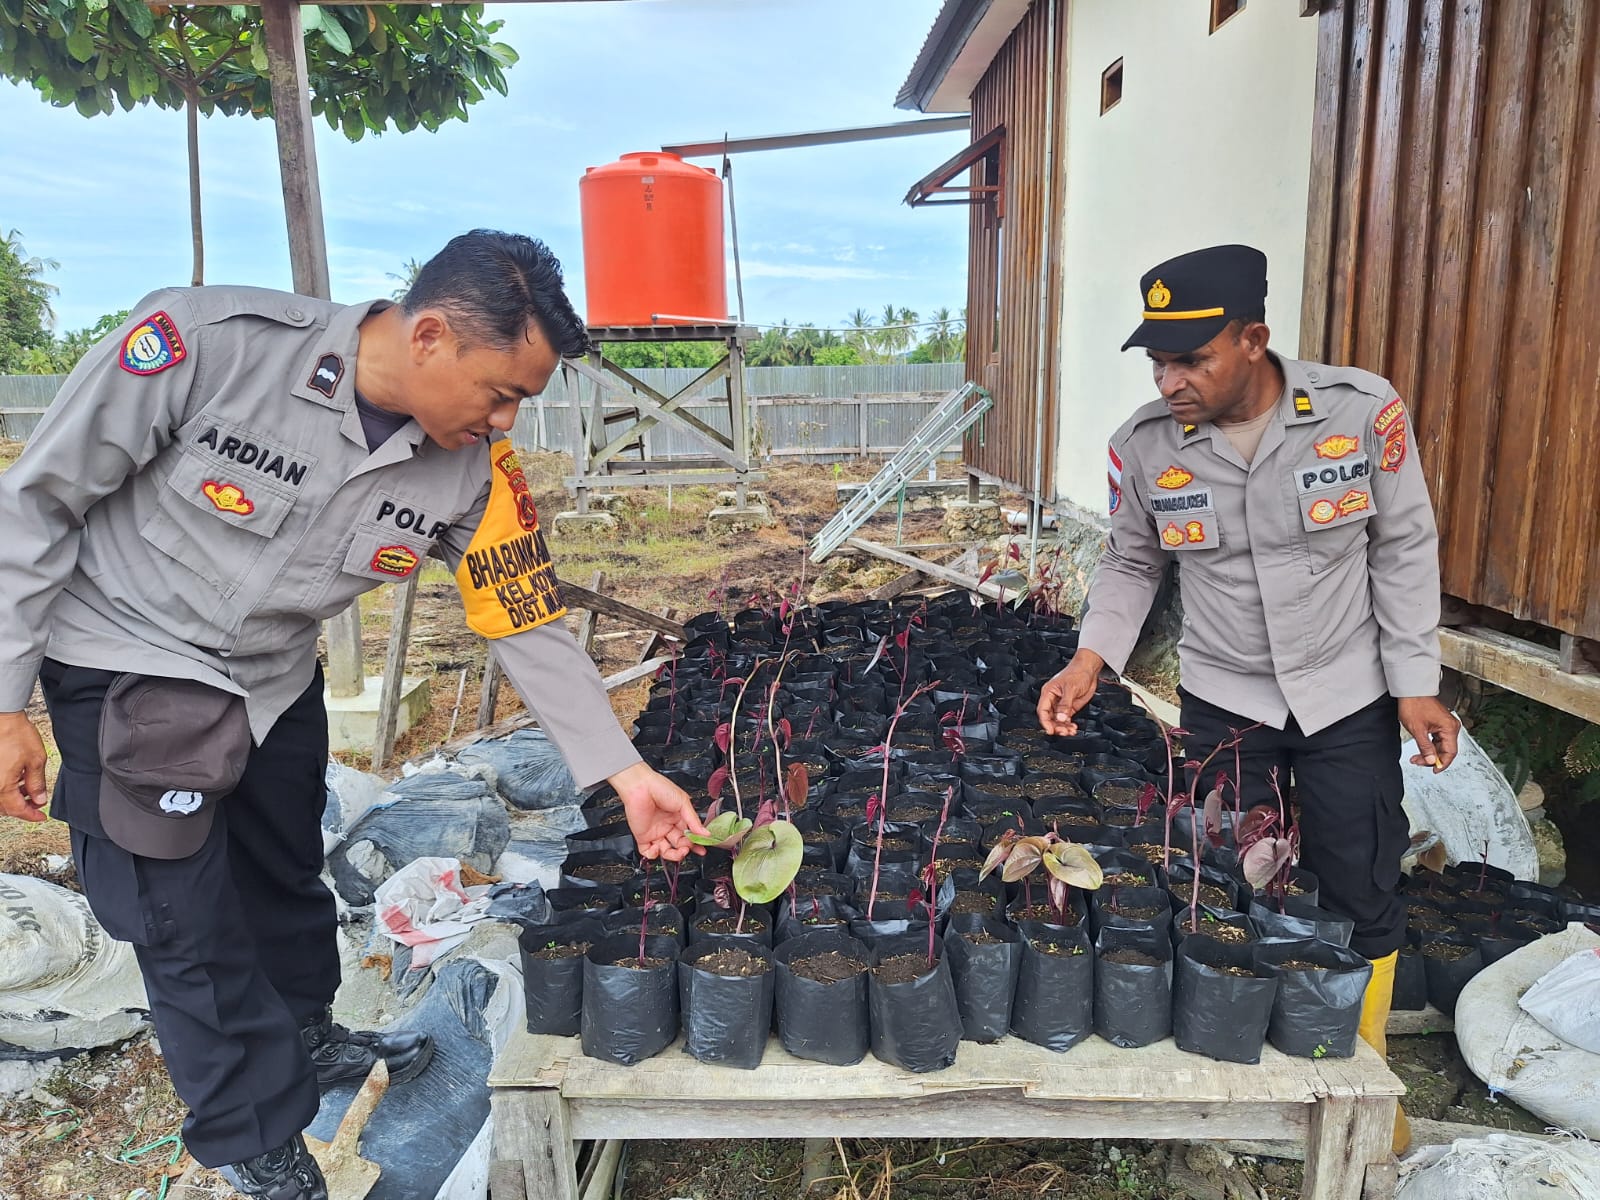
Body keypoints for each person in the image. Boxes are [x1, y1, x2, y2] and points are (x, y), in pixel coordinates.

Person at [0, 230, 707, 1200]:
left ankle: (305, 1035)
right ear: (428, 337)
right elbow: (34, 504)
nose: (505, 421)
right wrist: (6, 699)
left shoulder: (472, 471)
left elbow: (526, 614)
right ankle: (257, 1141)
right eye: (499, 392)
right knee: (183, 918)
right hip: (131, 657)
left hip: (271, 676)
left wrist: (623, 774)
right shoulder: (208, 345)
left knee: (287, 879)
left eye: (521, 404)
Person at [1037, 243, 1459, 1153]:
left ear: (1256, 339)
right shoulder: (1143, 447)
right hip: (1227, 703)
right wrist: (1090, 658)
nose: (1171, 379)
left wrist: (1418, 685)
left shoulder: (1360, 411)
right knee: (1231, 884)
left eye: (1193, 358)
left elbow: (1404, 545)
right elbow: (1132, 559)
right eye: (1158, 360)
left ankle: (1364, 1089)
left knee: (1361, 885)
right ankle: (1241, 1098)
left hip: (1349, 693)